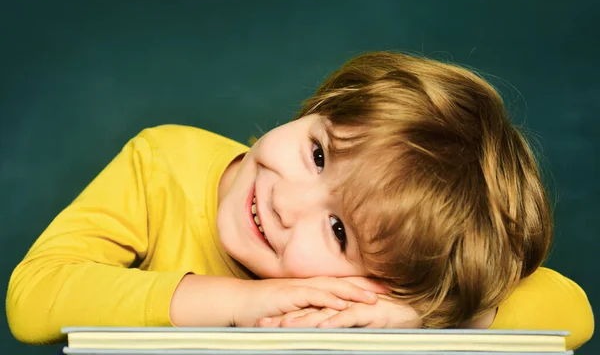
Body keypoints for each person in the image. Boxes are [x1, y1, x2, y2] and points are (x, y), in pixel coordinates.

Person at [6, 51, 594, 350]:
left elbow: (574, 312)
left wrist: (419, 314)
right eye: (318, 154)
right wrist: (242, 302)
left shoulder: (387, 299)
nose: (288, 202)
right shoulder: (164, 162)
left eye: (339, 231)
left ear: (378, 280)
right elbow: (32, 299)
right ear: (321, 107)